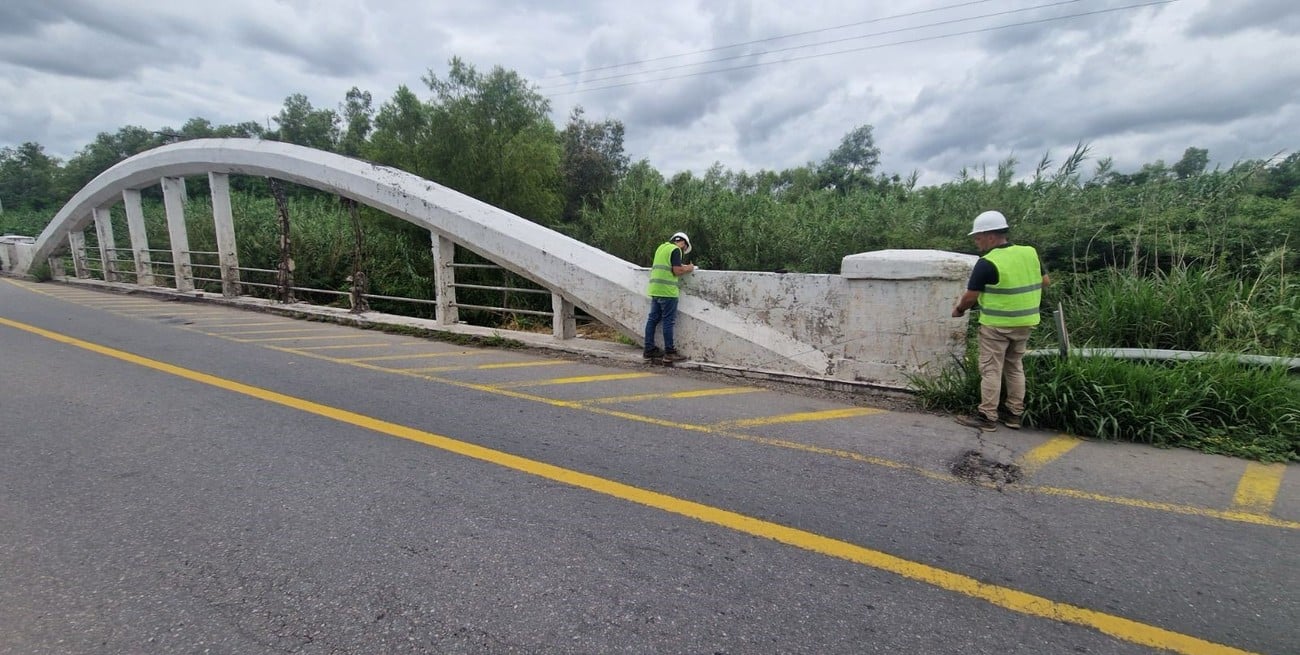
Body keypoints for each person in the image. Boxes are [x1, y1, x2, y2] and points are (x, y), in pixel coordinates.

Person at [951, 211, 1050, 432]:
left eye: (978, 238)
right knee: (1014, 367)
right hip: (1025, 323)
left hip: (996, 326)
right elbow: (1045, 281)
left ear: (990, 236)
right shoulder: (1029, 253)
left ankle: (987, 416)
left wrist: (959, 310)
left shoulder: (987, 262)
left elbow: (970, 297)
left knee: (991, 370)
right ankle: (1014, 415)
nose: (976, 242)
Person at [644, 231, 696, 362]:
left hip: (655, 289)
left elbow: (668, 265)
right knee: (668, 321)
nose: (683, 251)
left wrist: (682, 266)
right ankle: (670, 352)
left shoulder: (661, 248)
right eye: (685, 248)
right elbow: (676, 270)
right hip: (668, 292)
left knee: (652, 320)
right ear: (683, 243)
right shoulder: (676, 250)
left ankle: (648, 349)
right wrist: (689, 268)